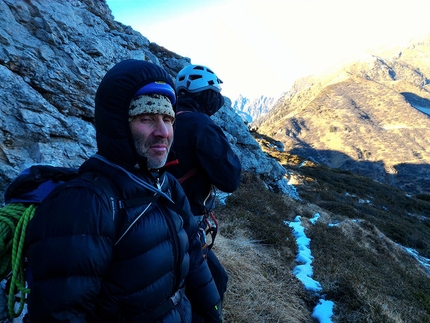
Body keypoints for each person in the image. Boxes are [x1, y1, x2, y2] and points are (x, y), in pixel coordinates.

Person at [25, 59, 222, 323]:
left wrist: (212, 313)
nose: (163, 132)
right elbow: (61, 313)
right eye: (146, 118)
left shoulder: (167, 185)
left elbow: (194, 257)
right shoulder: (86, 203)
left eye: (168, 119)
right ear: (118, 125)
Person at [167, 64, 242, 322]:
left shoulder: (167, 119)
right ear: (207, 95)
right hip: (185, 225)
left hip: (161, 216)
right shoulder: (201, 124)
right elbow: (230, 179)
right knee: (214, 282)